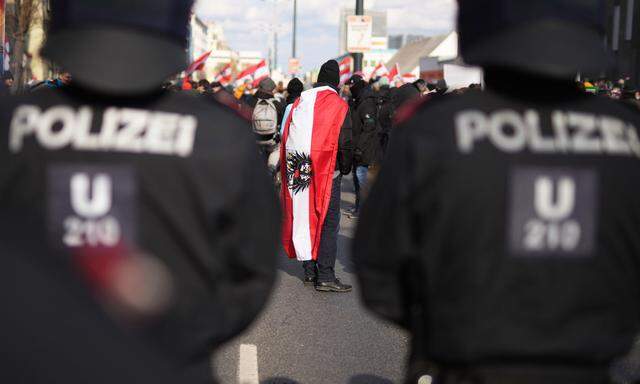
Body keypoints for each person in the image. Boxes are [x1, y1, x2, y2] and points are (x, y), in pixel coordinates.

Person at [355, 1, 640, 384]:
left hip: (466, 362)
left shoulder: (435, 132)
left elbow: (378, 266)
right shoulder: (629, 137)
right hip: (589, 364)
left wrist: (439, 323)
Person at [0, 0, 280, 383]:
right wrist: (179, 337)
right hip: (167, 365)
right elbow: (251, 275)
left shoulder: (11, 125)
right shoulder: (221, 137)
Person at [281, 60, 353, 292]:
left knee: (304, 213)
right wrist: (344, 167)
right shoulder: (339, 104)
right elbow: (345, 142)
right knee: (328, 222)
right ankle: (326, 275)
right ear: (336, 81)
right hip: (326, 171)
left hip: (300, 167)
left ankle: (309, 271)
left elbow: (285, 134)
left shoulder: (301, 101)